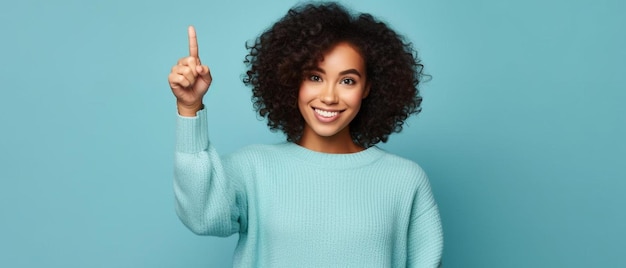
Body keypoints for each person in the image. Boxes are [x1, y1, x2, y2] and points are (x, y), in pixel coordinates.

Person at [168, 2, 443, 267]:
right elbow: (201, 215)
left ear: (368, 88)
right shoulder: (253, 168)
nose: (329, 96)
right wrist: (190, 108)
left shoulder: (405, 180)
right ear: (291, 80)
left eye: (348, 81)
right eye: (315, 77)